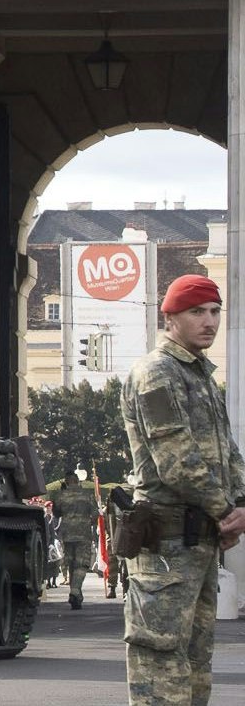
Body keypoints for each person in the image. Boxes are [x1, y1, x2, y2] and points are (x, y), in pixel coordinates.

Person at [118, 274, 245, 706]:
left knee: (194, 662)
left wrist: (240, 504)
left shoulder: (201, 378)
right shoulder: (156, 373)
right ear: (169, 317)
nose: (209, 321)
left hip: (200, 539)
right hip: (167, 542)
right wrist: (226, 510)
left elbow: (226, 453)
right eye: (197, 312)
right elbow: (175, 460)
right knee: (161, 661)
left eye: (214, 312)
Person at [49, 470, 98, 609]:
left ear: (66, 481)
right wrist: (89, 523)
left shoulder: (61, 495)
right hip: (83, 533)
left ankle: (76, 594)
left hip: (67, 533)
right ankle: (75, 591)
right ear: (77, 481)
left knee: (71, 563)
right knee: (81, 564)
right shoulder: (87, 495)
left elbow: (56, 512)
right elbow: (95, 513)